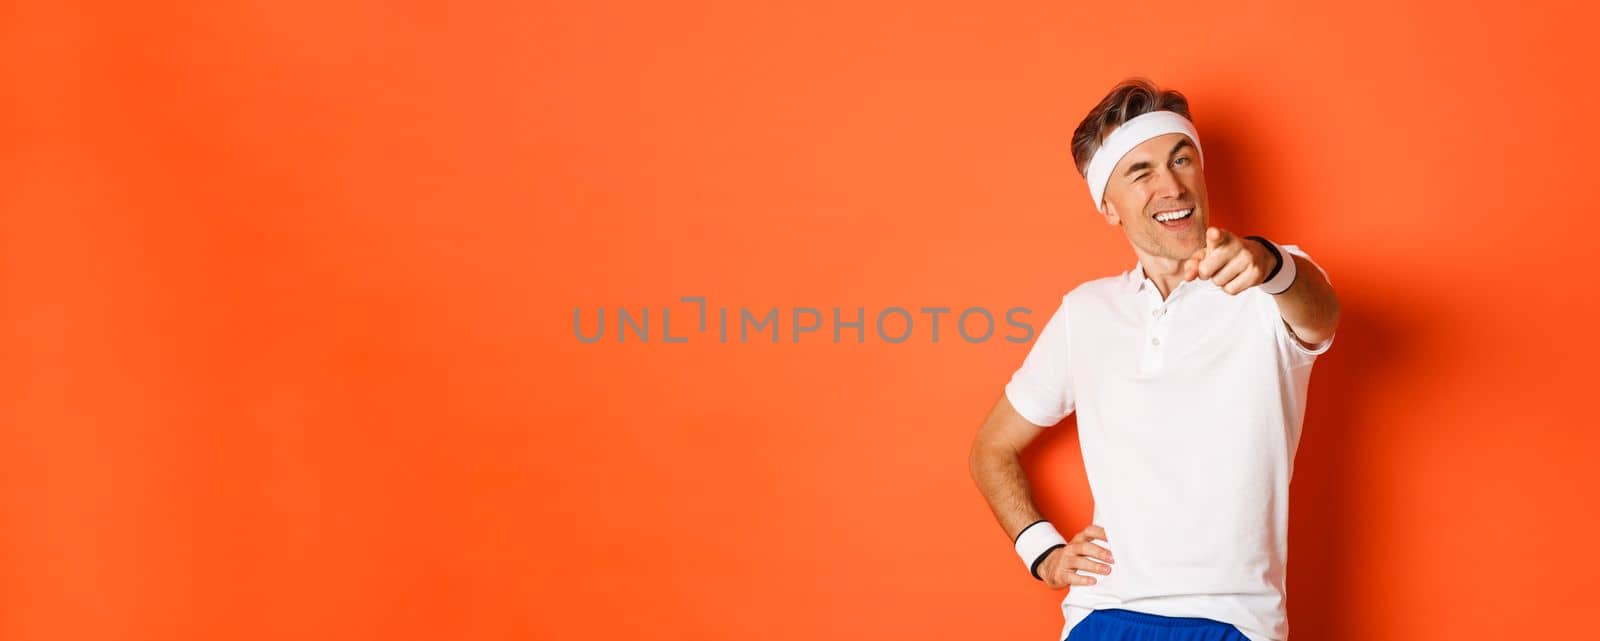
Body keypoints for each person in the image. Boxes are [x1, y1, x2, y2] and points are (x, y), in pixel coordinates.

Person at [967, 78, 1341, 641]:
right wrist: (1041, 550)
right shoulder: (1086, 312)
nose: (1171, 185)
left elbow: (1322, 314)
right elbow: (990, 448)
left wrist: (1267, 264)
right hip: (1102, 614)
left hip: (1234, 620)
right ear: (1110, 208)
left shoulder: (1267, 285)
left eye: (1182, 159)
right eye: (1140, 173)